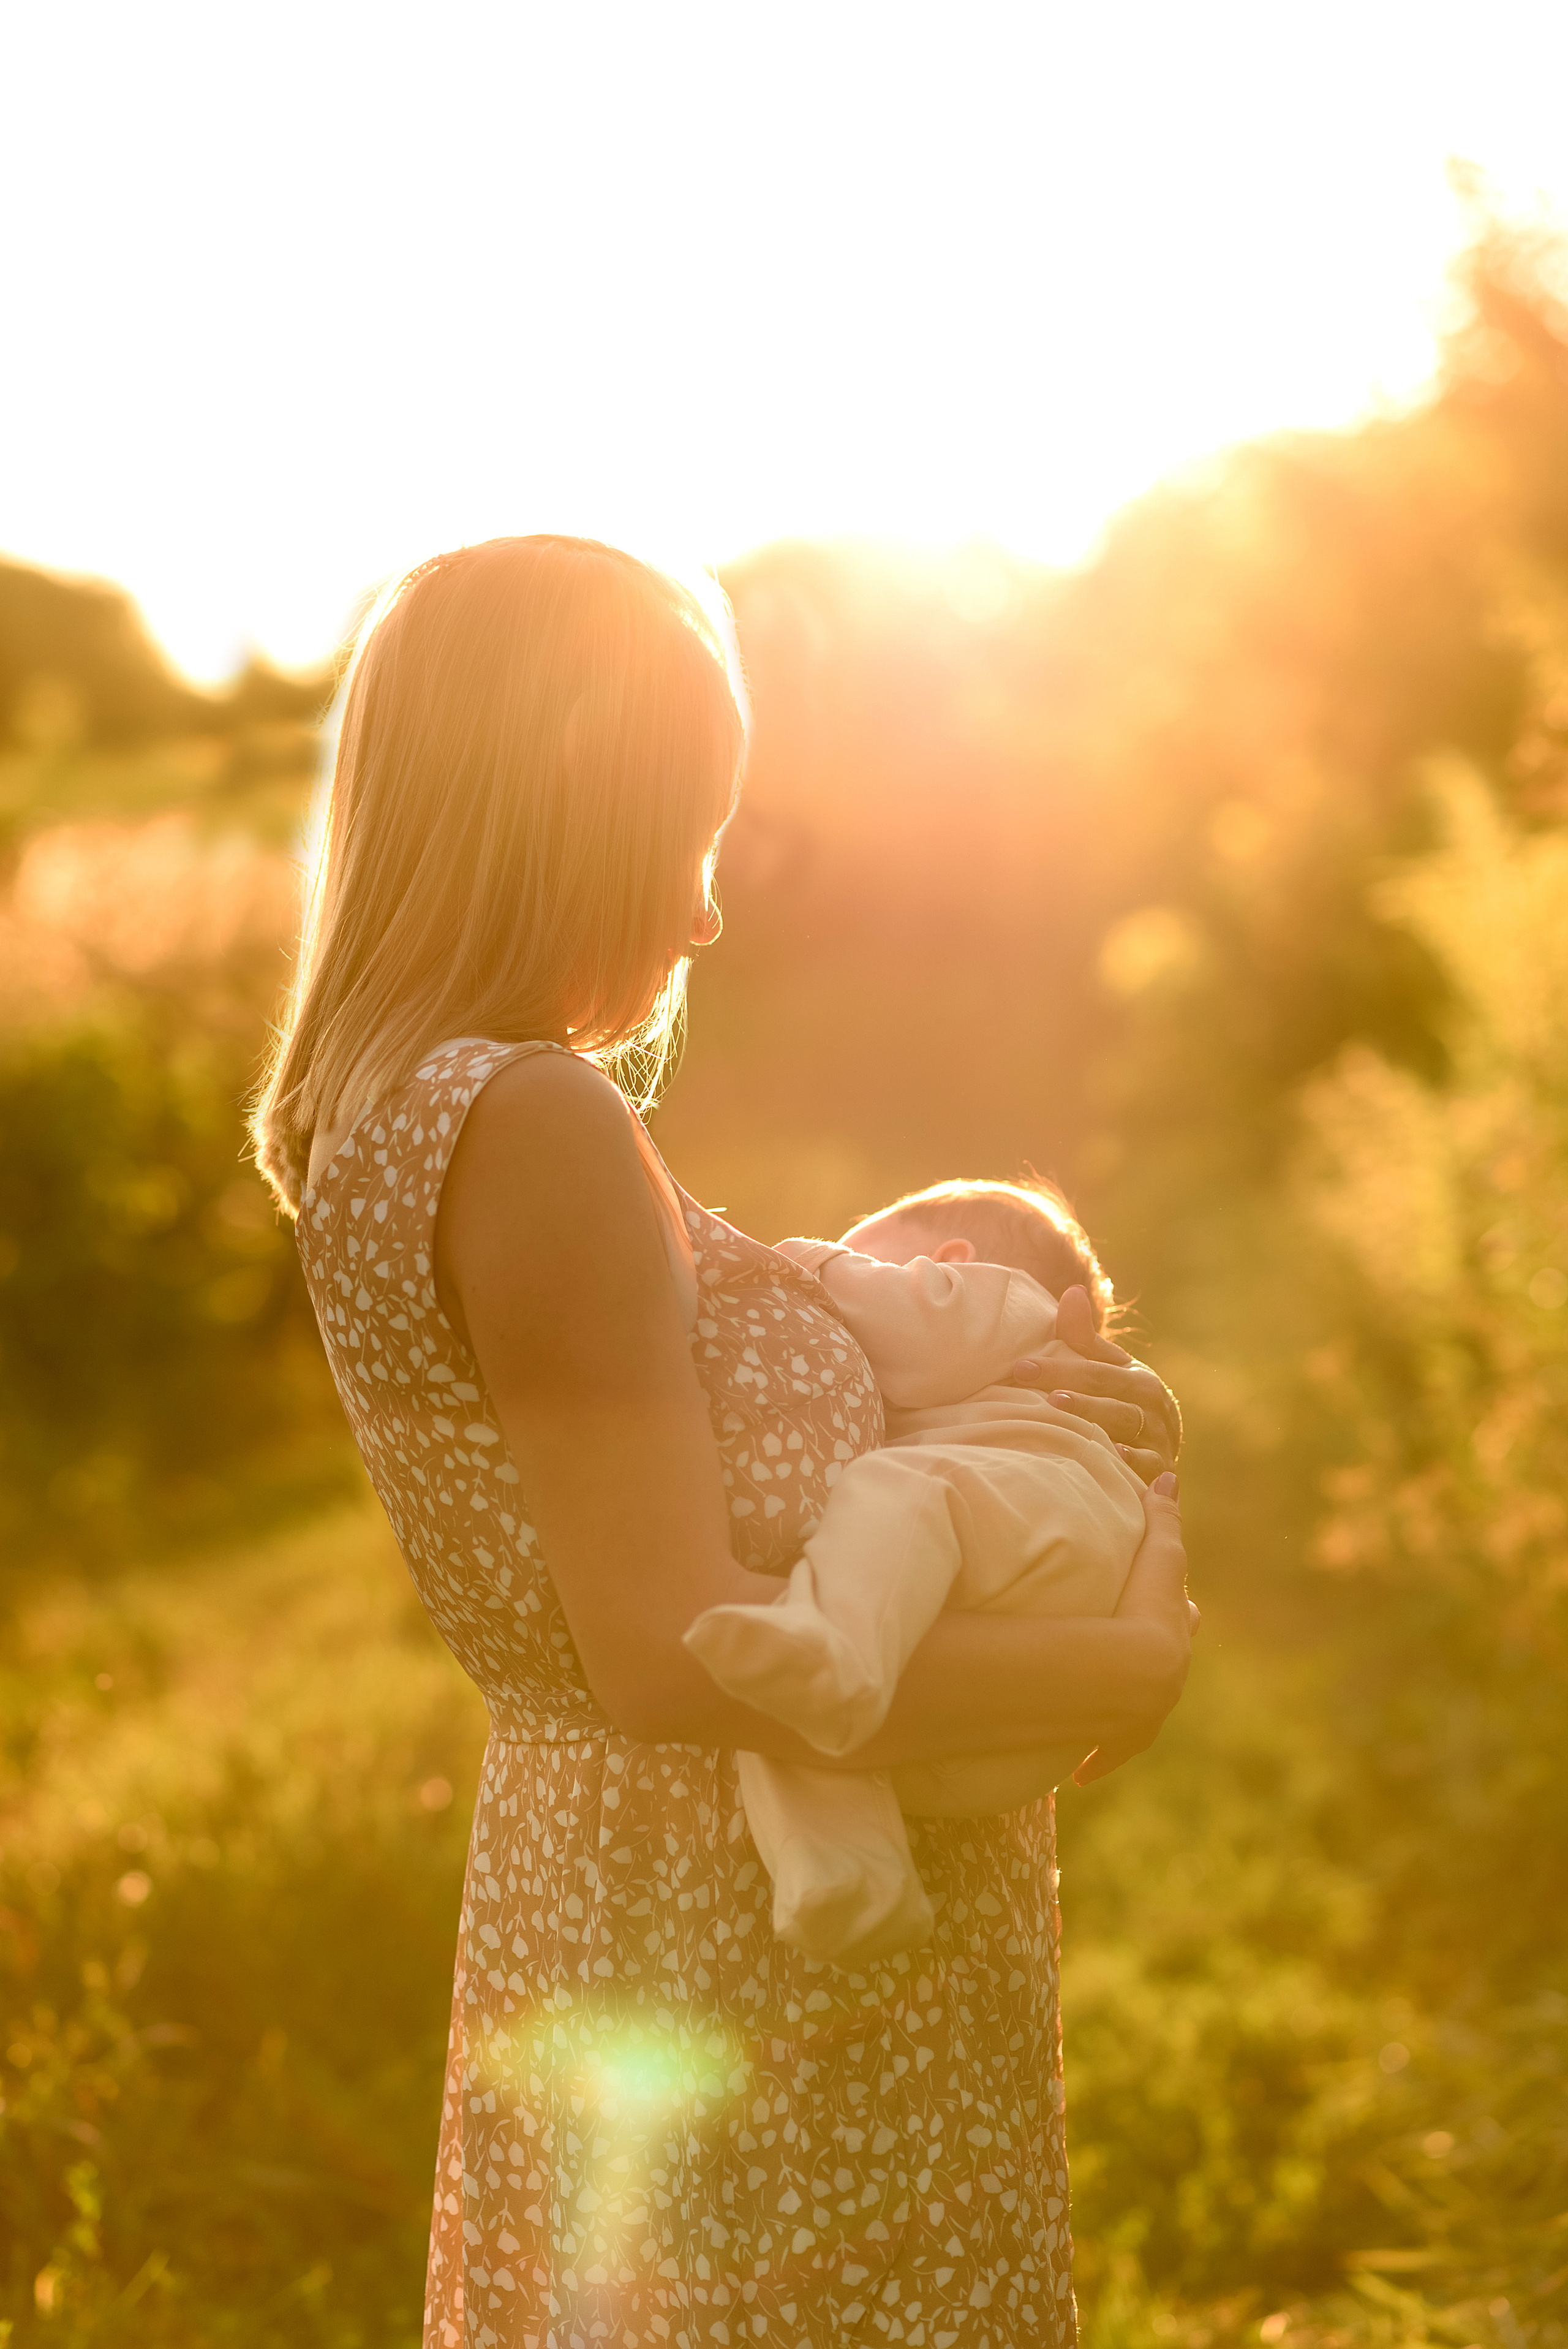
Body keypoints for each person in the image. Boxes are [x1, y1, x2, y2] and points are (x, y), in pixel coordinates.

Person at [252, 535, 1194, 2349]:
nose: (701, 910)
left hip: (626, 1876)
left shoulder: (393, 1108)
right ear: (560, 816)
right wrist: (1122, 1656)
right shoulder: (530, 1123)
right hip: (734, 1943)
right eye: (684, 832)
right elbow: (675, 1654)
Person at [685, 1179, 1148, 1968]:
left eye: (861, 1253)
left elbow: (915, 1332)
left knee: (890, 1502)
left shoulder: (1004, 1305)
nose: (840, 1275)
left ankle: (835, 1659)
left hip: (1051, 1520)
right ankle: (849, 1884)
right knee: (772, 1705)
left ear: (948, 1264)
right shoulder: (959, 1384)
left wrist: (802, 1264)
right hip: (988, 1739)